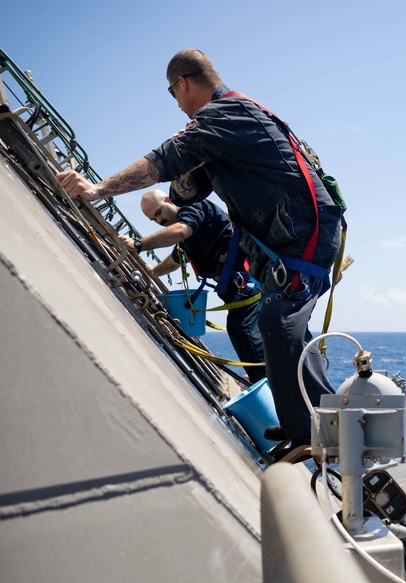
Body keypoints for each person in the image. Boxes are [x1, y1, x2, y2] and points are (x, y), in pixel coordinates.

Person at [56, 49, 343, 454]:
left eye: (173, 95)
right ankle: (318, 418)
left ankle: (310, 433)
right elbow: (189, 179)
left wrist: (99, 189)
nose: (177, 104)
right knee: (286, 322)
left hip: (303, 231)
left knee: (278, 321)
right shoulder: (231, 123)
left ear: (183, 84)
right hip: (297, 233)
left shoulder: (225, 115)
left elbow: (166, 158)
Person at [122, 189, 266, 384]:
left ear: (168, 200)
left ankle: (266, 382)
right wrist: (154, 272)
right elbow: (177, 258)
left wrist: (138, 244)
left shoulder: (193, 208)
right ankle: (260, 377)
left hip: (248, 284)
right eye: (153, 220)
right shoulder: (191, 232)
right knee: (237, 328)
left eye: (159, 213)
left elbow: (180, 231)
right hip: (236, 289)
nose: (160, 221)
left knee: (245, 329)